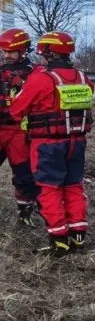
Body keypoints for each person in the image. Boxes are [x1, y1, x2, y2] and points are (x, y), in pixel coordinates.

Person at [10, 31, 94, 256]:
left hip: (47, 144)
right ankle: (78, 233)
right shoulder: (84, 78)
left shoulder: (41, 79)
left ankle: (59, 239)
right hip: (77, 142)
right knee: (74, 186)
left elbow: (17, 110)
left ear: (49, 53)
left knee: (49, 189)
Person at [0, 28, 38, 226]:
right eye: (4, 51)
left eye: (11, 52)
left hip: (20, 131)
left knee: (23, 174)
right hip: (0, 127)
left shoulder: (34, 73)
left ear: (23, 50)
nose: (6, 55)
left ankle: (25, 213)